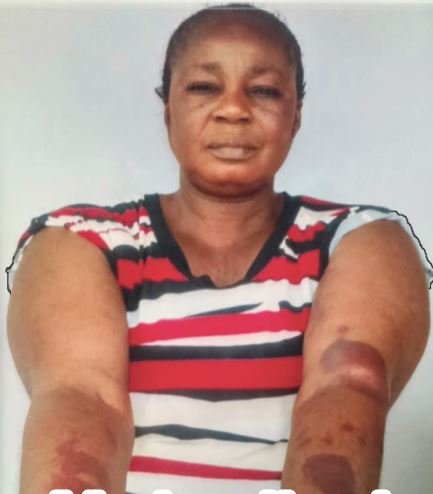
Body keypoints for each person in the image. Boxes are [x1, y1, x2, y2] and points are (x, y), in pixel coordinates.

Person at [6, 3, 432, 494]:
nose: (234, 109)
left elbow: (347, 390)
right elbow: (81, 399)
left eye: (264, 90)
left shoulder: (361, 239)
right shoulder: (79, 240)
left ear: (296, 115)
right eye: (204, 87)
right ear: (168, 111)